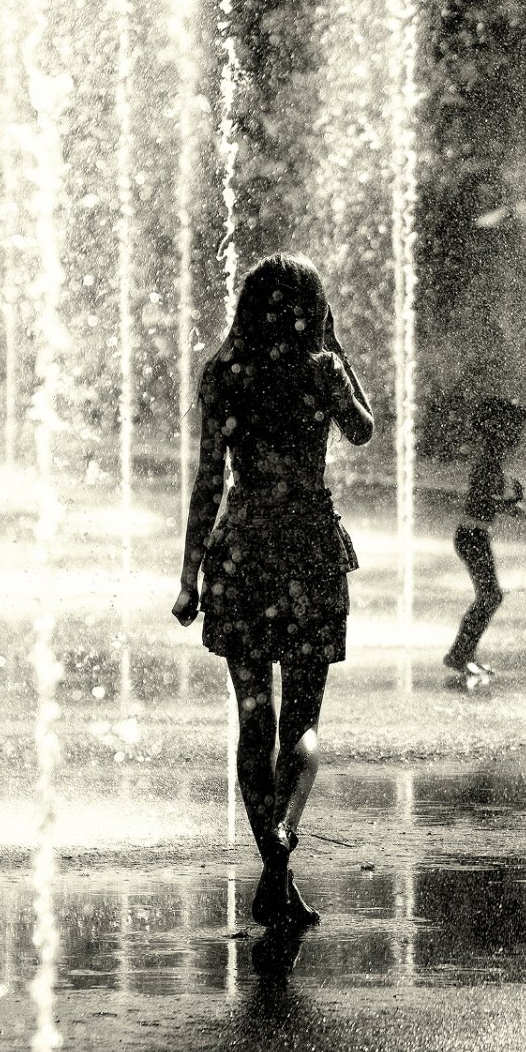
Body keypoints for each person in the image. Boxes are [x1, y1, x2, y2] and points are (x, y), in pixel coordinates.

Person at [173, 253, 375, 929]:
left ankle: (275, 870)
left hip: (242, 549)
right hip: (308, 550)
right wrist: (334, 343)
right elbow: (364, 428)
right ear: (313, 307)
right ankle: (284, 840)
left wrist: (187, 575)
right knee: (304, 723)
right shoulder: (321, 370)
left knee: (253, 719)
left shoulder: (225, 373)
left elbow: (207, 479)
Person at [443, 395, 526, 679]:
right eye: (514, 427)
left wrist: (507, 505)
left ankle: (464, 653)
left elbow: (483, 498)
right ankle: (459, 654)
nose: (518, 434)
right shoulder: (490, 457)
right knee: (490, 596)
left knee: (490, 596)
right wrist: (508, 504)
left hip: (474, 533)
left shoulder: (492, 456)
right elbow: (480, 498)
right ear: (500, 429)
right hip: (472, 535)